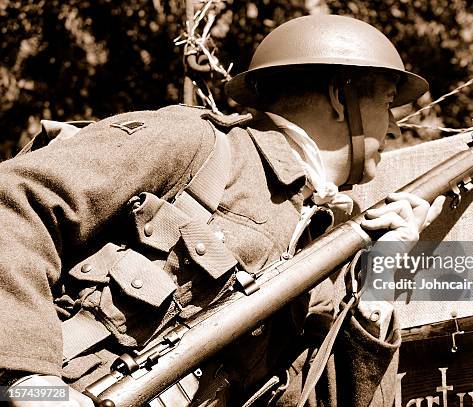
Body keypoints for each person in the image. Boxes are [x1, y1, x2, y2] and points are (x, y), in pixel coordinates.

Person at [0, 14, 444, 407]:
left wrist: (378, 292)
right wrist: (33, 385)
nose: (393, 126)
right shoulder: (197, 145)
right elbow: (14, 200)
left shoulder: (329, 248)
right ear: (337, 94)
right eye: (387, 103)